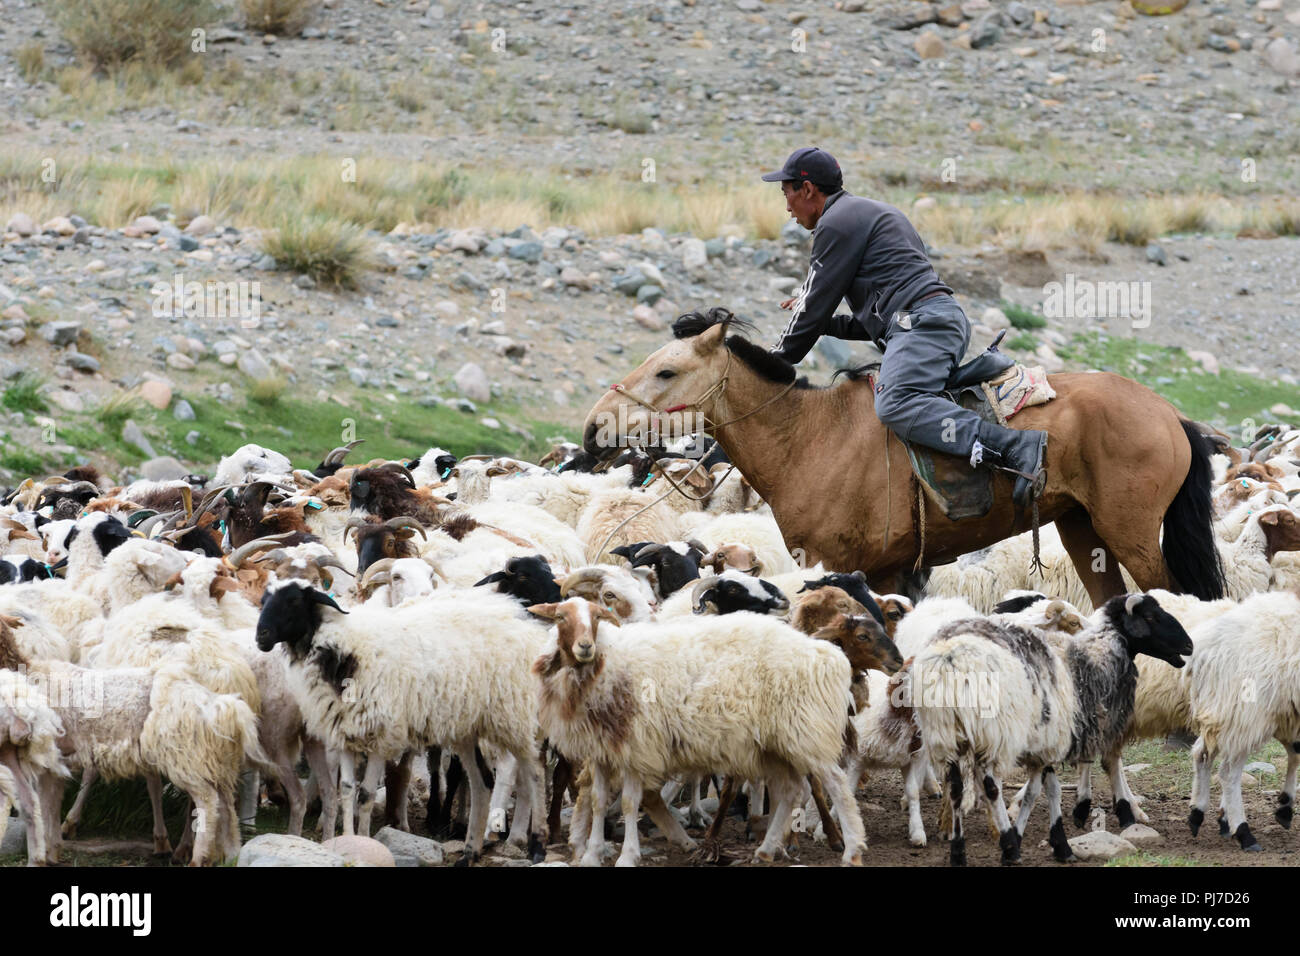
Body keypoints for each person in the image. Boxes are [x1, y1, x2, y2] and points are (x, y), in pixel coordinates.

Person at [761, 146, 1047, 508]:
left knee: (894, 402)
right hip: (932, 321)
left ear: (807, 189)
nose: (786, 206)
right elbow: (871, 320)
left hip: (923, 326)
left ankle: (1014, 446)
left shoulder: (834, 224)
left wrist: (772, 363)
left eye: (785, 192)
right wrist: (823, 324)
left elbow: (812, 304)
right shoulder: (872, 212)